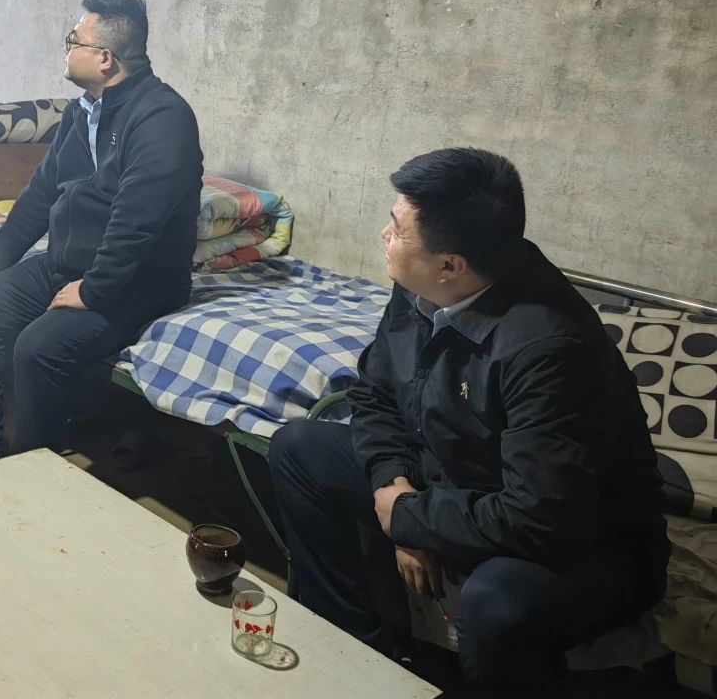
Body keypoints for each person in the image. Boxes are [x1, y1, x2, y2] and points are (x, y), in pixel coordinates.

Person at [268, 147, 668, 691]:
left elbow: (539, 517)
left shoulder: (548, 348)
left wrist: (411, 518)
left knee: (495, 602)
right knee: (299, 449)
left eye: (397, 229)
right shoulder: (422, 286)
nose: (385, 236)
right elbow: (376, 395)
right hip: (453, 479)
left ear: (450, 265)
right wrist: (394, 486)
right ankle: (356, 655)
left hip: (587, 541)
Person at [0, 0, 203, 476]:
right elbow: (42, 191)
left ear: (105, 58)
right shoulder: (82, 112)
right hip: (66, 265)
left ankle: (30, 474)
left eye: (75, 40)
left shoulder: (162, 119)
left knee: (38, 347)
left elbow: (137, 221)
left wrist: (94, 290)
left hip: (136, 282)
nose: (67, 48)